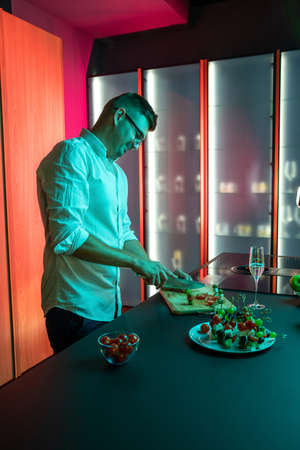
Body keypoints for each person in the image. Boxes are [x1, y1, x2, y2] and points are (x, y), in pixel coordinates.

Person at [37, 92, 191, 354]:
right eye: (138, 135)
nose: (136, 145)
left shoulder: (117, 174)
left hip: (108, 305)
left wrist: (157, 271)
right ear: (119, 115)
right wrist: (134, 262)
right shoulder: (72, 154)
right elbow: (68, 235)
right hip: (74, 307)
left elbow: (123, 233)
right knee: (80, 393)